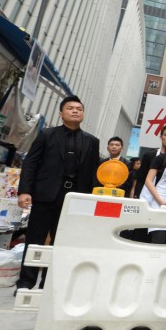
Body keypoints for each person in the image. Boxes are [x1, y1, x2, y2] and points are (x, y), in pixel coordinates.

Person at [16, 96, 101, 290]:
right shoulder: (47, 135)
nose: (75, 111)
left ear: (83, 114)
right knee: (35, 239)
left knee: (62, 241)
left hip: (74, 199)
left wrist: (91, 199)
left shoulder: (92, 142)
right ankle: (25, 283)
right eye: (70, 108)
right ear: (61, 113)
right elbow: (31, 163)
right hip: (46, 195)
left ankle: (48, 284)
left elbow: (93, 173)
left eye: (79, 108)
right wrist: (25, 191)